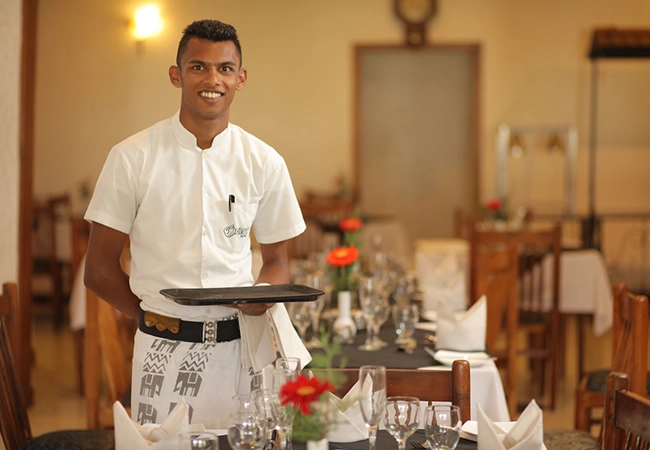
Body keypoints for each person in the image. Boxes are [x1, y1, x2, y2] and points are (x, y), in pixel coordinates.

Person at [84, 19, 309, 428]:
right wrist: (155, 317)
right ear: (176, 74)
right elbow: (98, 271)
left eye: (224, 69)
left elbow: (278, 260)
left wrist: (261, 295)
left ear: (241, 79)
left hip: (240, 352)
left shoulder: (264, 161)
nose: (212, 79)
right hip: (160, 351)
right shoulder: (131, 157)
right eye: (198, 66)